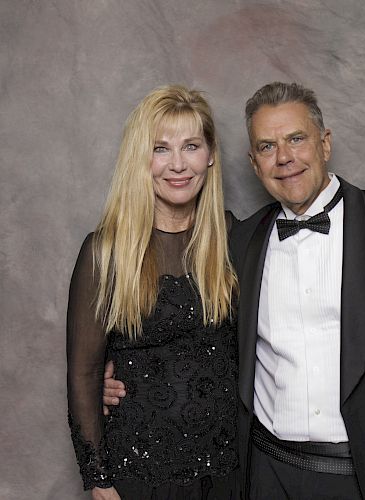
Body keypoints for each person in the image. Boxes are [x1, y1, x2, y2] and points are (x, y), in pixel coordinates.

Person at [105, 82, 365, 499]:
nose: (284, 158)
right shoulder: (238, 242)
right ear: (253, 162)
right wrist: (122, 375)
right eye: (266, 146)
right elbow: (194, 335)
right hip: (265, 475)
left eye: (296, 139)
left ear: (325, 143)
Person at [67, 85, 239, 500]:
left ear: (210, 154)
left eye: (191, 146)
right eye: (160, 149)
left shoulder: (238, 240)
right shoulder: (104, 253)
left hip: (230, 471)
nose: (177, 164)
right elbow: (85, 373)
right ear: (139, 159)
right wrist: (98, 480)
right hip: (137, 475)